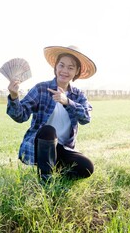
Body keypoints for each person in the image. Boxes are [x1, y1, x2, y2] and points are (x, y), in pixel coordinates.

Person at [6, 45, 96, 181]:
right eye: (61, 65)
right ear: (56, 67)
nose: (65, 71)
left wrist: (68, 102)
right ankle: (46, 179)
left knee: (87, 167)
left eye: (71, 68)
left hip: (63, 149)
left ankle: (55, 172)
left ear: (77, 71)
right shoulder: (41, 89)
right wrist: (14, 96)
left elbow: (86, 118)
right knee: (48, 130)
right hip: (41, 145)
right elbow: (20, 116)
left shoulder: (77, 95)